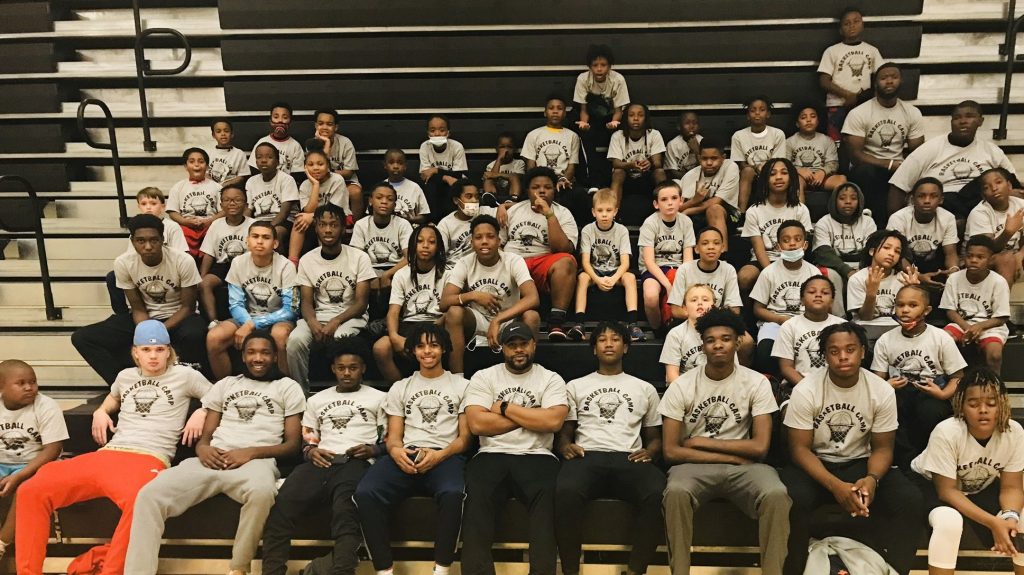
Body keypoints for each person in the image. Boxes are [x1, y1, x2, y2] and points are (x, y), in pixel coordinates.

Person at [17, 320, 210, 575]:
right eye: (146, 350)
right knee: (31, 490)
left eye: (160, 350)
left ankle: (111, 570)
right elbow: (113, 396)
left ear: (169, 352)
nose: (153, 356)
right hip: (108, 453)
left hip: (149, 457)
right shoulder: (125, 376)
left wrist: (202, 412)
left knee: (142, 503)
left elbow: (218, 396)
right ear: (136, 352)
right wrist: (101, 411)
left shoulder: (185, 376)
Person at [125, 331, 305, 575]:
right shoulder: (225, 384)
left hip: (256, 462)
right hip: (213, 458)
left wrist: (250, 453)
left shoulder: (287, 387)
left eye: (265, 353)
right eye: (251, 352)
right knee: (148, 495)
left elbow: (293, 445)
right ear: (243, 356)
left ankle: (239, 568)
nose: (258, 358)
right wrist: (203, 449)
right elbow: (206, 436)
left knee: (263, 492)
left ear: (274, 357)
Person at [781, 322, 924, 575]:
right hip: (816, 464)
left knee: (909, 500)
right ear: (825, 356)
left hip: (860, 462)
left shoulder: (881, 390)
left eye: (850, 349)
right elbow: (799, 450)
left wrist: (872, 479)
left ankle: (892, 570)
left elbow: (883, 448)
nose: (843, 357)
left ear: (863, 352)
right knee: (792, 499)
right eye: (834, 351)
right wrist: (835, 485)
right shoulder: (806, 389)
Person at [661, 307, 791, 575]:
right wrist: (730, 457)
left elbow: (760, 447)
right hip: (696, 467)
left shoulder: (756, 383)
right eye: (710, 340)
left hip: (745, 468)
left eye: (725, 339)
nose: (718, 345)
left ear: (738, 342)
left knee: (777, 494)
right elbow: (671, 451)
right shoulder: (682, 385)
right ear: (702, 345)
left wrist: (699, 441)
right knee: (675, 493)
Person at [261, 337, 387, 575]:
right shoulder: (317, 399)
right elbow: (308, 439)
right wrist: (311, 451)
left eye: (353, 368)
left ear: (363, 368)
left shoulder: (379, 398)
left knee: (346, 512)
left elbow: (388, 439)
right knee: (282, 506)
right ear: (333, 369)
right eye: (341, 368)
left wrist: (374, 450)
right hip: (322, 460)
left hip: (357, 462)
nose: (347, 373)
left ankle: (342, 571)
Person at [354, 324, 471, 575]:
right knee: (365, 492)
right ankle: (384, 570)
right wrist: (396, 452)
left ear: (444, 349)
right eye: (421, 346)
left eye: (434, 345)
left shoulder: (462, 385)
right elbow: (394, 437)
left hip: (445, 454)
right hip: (407, 453)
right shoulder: (401, 387)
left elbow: (464, 440)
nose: (427, 351)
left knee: (453, 493)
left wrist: (440, 455)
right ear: (413, 351)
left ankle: (442, 569)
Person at [555, 321, 664, 575]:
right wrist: (565, 446)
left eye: (615, 339)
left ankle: (636, 570)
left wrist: (651, 451)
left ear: (625, 347)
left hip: (629, 457)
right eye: (602, 340)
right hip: (587, 455)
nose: (608, 344)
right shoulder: (575, 386)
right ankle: (570, 571)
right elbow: (565, 432)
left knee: (658, 492)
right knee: (565, 490)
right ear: (594, 349)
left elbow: (654, 437)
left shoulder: (644, 388)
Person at [460, 321, 569, 575]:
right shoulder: (484, 377)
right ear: (503, 348)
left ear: (533, 345)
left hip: (538, 456)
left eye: (523, 344)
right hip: (491, 454)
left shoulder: (551, 379)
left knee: (546, 508)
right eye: (512, 345)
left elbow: (553, 422)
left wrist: (504, 408)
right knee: (476, 500)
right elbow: (477, 424)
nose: (518, 350)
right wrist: (533, 415)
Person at [910, 368, 1024, 575]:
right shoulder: (947, 431)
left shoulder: (1014, 432)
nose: (983, 410)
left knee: (1021, 519)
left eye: (991, 403)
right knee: (949, 522)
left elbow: (1011, 487)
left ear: (1003, 404)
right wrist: (993, 523)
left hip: (978, 486)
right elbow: (947, 491)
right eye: (973, 404)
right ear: (961, 406)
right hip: (929, 485)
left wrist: (1009, 518)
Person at [73, 214, 207, 385]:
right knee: (83, 337)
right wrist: (146, 330)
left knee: (194, 333)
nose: (148, 246)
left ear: (162, 239)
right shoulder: (123, 263)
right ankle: (124, 385)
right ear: (133, 241)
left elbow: (187, 307)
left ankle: (185, 383)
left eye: (154, 240)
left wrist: (157, 331)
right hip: (145, 317)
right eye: (141, 241)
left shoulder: (183, 260)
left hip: (179, 316)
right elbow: (137, 307)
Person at [872, 284, 967, 467]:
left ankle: (930, 458)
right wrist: (887, 386)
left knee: (929, 411)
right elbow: (877, 380)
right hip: (899, 390)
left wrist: (942, 394)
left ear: (927, 310)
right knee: (891, 408)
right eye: (900, 305)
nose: (905, 310)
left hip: (933, 392)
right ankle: (904, 462)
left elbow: (958, 377)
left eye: (913, 305)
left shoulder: (941, 338)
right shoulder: (886, 340)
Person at [288, 204, 376, 390]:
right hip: (319, 315)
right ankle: (301, 393)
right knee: (295, 340)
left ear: (343, 228)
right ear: (316, 228)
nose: (328, 230)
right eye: (323, 225)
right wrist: (312, 322)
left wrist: (335, 321)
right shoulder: (307, 259)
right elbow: (306, 302)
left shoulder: (359, 257)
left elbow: (361, 303)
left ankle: (346, 391)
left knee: (341, 337)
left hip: (351, 317)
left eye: (334, 225)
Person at [441, 214, 541, 374]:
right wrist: (473, 295)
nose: (484, 241)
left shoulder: (513, 260)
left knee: (532, 316)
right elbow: (445, 302)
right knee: (454, 312)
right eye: (478, 237)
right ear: (471, 242)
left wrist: (498, 320)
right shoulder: (464, 262)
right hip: (478, 320)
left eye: (490, 236)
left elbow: (533, 298)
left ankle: (528, 374)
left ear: (499, 240)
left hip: (508, 320)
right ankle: (457, 377)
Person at [890, 101, 1016, 220]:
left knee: (991, 180)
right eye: (956, 118)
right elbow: (898, 187)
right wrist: (897, 224)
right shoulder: (929, 149)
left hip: (982, 211)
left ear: (980, 121)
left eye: (969, 116)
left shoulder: (992, 151)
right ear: (951, 122)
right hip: (941, 209)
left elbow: (1013, 185)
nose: (963, 121)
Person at [207, 221, 298, 380]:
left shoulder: (286, 266)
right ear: (247, 241)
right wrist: (248, 322)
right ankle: (225, 387)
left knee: (280, 334)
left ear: (275, 243)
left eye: (266, 237)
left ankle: (284, 385)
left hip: (278, 318)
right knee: (214, 337)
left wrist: (252, 325)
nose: (260, 241)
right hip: (246, 316)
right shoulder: (238, 263)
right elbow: (235, 304)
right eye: (255, 236)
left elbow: (291, 310)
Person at [842, 62, 925, 228]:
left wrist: (903, 167)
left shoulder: (912, 112)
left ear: (901, 81)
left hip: (898, 168)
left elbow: (917, 150)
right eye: (884, 78)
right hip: (868, 167)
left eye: (894, 77)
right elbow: (856, 155)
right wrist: (889, 164)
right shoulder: (859, 113)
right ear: (875, 83)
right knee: (868, 173)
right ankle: (875, 226)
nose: (889, 81)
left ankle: (901, 228)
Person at [0, 360, 67, 558]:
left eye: (33, 382)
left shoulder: (46, 406)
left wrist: (20, 475)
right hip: (3, 463)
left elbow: (53, 449)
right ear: (2, 387)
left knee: (27, 489)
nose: (29, 387)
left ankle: (1, 544)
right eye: (21, 383)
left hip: (37, 464)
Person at [503, 166, 578, 340]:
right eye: (536, 187)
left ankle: (556, 321)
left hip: (544, 261)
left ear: (554, 190)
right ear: (527, 191)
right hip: (513, 260)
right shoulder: (513, 210)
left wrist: (549, 214)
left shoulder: (563, 213)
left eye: (547, 187)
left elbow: (563, 248)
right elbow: (498, 243)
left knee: (567, 261)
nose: (542, 191)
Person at [373, 224, 448, 383]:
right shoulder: (401, 274)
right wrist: (394, 336)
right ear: (413, 245)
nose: (425, 245)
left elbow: (451, 311)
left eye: (431, 242)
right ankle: (400, 389)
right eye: (420, 241)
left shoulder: (448, 273)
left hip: (437, 324)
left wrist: (432, 330)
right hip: (409, 324)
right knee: (381, 347)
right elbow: (393, 312)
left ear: (439, 247)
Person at [749, 220, 825, 373]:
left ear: (805, 245)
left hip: (806, 322)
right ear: (778, 246)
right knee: (764, 353)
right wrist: (780, 319)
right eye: (786, 240)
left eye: (797, 239)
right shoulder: (768, 272)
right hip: (775, 323)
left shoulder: (814, 273)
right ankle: (776, 381)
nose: (792, 244)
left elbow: (822, 306)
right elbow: (758, 309)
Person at [570, 188, 643, 341]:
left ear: (615, 211)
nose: (604, 214)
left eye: (608, 210)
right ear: (593, 212)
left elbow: (625, 263)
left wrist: (614, 278)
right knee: (582, 277)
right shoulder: (588, 230)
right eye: (600, 210)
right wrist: (597, 279)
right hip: (594, 271)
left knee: (630, 278)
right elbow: (585, 262)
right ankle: (579, 324)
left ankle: (633, 324)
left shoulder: (621, 230)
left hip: (616, 271)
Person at [106, 187, 188, 314]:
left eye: (153, 204)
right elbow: (131, 257)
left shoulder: (172, 227)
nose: (148, 207)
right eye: (144, 204)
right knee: (112, 276)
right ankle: (123, 314)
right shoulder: (137, 229)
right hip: (143, 270)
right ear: (139, 206)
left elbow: (182, 255)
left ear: (163, 206)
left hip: (167, 270)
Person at [737, 158, 813, 292]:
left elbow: (802, 245)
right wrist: (772, 273)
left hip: (794, 259)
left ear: (791, 178)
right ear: (765, 180)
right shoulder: (754, 211)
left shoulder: (801, 209)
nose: (778, 177)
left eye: (784, 173)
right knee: (744, 277)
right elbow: (759, 249)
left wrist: (790, 267)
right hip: (763, 260)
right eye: (772, 174)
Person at [942, 234, 1012, 373]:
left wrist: (979, 327)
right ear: (964, 257)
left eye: (980, 257)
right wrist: (968, 328)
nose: (973, 260)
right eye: (970, 256)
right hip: (962, 323)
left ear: (990, 260)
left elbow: (1002, 317)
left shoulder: (999, 282)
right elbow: (950, 310)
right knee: (944, 341)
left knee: (994, 354)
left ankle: (994, 383)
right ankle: (954, 380)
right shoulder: (954, 279)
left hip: (989, 326)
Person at [817, 7, 883, 140]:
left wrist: (861, 97)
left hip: (864, 105)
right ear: (840, 30)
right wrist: (847, 95)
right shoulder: (832, 51)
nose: (852, 26)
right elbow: (824, 81)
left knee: (863, 142)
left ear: (863, 25)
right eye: (846, 23)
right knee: (837, 142)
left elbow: (880, 77)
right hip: (837, 105)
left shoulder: (872, 50)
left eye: (856, 21)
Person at [638, 181, 696, 332]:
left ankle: (678, 327)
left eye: (674, 198)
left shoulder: (686, 222)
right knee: (651, 296)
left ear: (681, 201)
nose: (670, 203)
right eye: (664, 199)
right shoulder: (650, 223)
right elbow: (649, 261)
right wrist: (669, 286)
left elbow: (688, 259)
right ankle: (659, 330)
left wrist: (681, 281)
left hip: (679, 268)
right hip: (655, 268)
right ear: (656, 204)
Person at [573, 44, 629, 188]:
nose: (599, 69)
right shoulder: (583, 79)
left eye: (603, 65)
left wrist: (614, 122)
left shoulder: (618, 80)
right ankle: (590, 179)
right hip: (591, 116)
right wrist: (584, 124)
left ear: (609, 66)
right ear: (589, 66)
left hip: (612, 116)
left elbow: (618, 110)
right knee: (583, 133)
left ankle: (615, 177)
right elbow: (583, 109)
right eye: (595, 65)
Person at [772, 275, 844, 386]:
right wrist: (808, 389)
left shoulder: (842, 326)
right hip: (798, 385)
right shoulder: (789, 326)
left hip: (835, 385)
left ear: (832, 301)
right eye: (812, 292)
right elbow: (786, 368)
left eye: (825, 293)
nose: (818, 295)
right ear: (802, 300)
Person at [886, 177, 959, 285]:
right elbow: (896, 255)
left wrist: (953, 273)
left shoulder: (948, 218)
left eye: (933, 196)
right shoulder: (898, 218)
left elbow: (950, 253)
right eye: (921, 196)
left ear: (941, 200)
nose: (927, 201)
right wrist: (918, 277)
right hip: (904, 267)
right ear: (912, 199)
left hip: (933, 265)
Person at [198, 186, 253, 324]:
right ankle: (213, 321)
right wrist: (202, 277)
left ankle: (246, 321)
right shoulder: (216, 224)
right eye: (227, 200)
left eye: (237, 200)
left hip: (247, 265)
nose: (232, 203)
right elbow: (209, 253)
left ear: (246, 204)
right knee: (205, 284)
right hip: (223, 265)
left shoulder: (254, 225)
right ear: (221, 205)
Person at [289, 147, 353, 264]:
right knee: (299, 220)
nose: (315, 168)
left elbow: (335, 210)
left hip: (340, 217)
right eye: (311, 164)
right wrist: (315, 185)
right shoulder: (305, 185)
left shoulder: (337, 180)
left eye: (320, 164)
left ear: (328, 166)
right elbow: (307, 210)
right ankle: (292, 263)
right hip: (315, 218)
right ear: (305, 168)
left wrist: (311, 216)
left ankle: (325, 262)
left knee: (324, 222)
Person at [677, 138, 741, 251]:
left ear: (723, 157)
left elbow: (717, 201)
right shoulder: (690, 176)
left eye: (714, 158)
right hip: (698, 216)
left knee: (714, 209)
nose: (709, 163)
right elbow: (677, 208)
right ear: (699, 158)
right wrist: (694, 200)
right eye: (704, 158)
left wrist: (688, 211)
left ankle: (722, 256)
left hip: (729, 215)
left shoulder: (730, 167)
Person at [350, 182, 413, 293]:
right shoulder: (361, 225)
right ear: (370, 201)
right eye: (379, 197)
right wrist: (370, 275)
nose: (384, 202)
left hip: (397, 268)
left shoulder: (403, 224)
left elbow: (410, 257)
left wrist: (388, 274)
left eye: (390, 199)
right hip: (370, 269)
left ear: (394, 205)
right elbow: (356, 258)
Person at [966, 167, 1024, 286]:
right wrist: (1008, 232)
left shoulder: (1020, 204)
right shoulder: (980, 213)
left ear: (1009, 186)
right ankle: (1002, 298)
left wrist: (1021, 254)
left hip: (1014, 254)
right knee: (1006, 259)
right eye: (987, 187)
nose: (994, 188)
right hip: (981, 260)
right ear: (983, 195)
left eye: (998, 182)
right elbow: (985, 251)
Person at [847, 229, 913, 333]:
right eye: (886, 248)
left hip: (897, 331)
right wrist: (871, 294)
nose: (892, 254)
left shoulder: (904, 279)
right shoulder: (857, 279)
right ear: (872, 251)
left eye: (897, 251)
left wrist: (913, 291)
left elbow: (909, 317)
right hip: (866, 332)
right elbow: (865, 317)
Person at [732, 96, 787, 212]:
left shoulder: (778, 134)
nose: (757, 113)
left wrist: (765, 169)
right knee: (747, 171)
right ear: (748, 115)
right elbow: (741, 164)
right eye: (753, 110)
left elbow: (778, 163)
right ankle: (740, 213)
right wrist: (755, 168)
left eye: (762, 110)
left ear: (768, 114)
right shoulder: (738, 136)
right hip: (749, 175)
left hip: (771, 172)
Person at [812, 182, 877, 281]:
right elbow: (823, 253)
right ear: (834, 201)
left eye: (853, 198)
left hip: (862, 265)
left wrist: (858, 271)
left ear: (860, 201)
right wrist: (847, 271)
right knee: (828, 273)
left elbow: (871, 251)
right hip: (834, 266)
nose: (848, 202)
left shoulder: (868, 221)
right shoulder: (824, 222)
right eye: (842, 198)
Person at [166, 147, 224, 257]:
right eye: (192, 162)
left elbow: (223, 211)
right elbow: (172, 212)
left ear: (207, 166)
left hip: (210, 226)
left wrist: (209, 221)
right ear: (185, 166)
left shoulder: (216, 187)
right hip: (186, 227)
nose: (196, 165)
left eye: (201, 161)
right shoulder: (178, 187)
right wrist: (185, 222)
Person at [607, 103, 666, 204]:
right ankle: (613, 209)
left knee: (659, 172)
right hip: (626, 178)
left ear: (646, 118)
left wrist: (649, 163)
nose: (635, 118)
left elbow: (657, 163)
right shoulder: (617, 136)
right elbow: (616, 163)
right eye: (631, 115)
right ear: (626, 118)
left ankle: (665, 207)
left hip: (647, 177)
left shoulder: (654, 134)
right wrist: (631, 165)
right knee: (618, 173)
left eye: (640, 115)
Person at [311, 108, 364, 219]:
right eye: (321, 123)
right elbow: (314, 171)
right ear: (315, 126)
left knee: (356, 192)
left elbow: (348, 173)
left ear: (336, 127)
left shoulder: (345, 143)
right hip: (321, 182)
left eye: (329, 124)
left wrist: (329, 172)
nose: (324, 127)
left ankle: (355, 226)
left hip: (345, 182)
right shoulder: (311, 144)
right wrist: (325, 146)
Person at [661, 284, 720, 382]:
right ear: (685, 308)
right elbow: (672, 377)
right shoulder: (675, 334)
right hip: (685, 388)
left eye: (705, 300)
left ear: (714, 306)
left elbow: (731, 372)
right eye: (694, 300)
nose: (700, 303)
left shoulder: (722, 333)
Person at [522, 95, 580, 192]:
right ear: (545, 112)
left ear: (565, 113)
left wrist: (563, 180)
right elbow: (531, 166)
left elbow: (572, 166)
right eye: (551, 108)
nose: (555, 111)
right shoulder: (533, 135)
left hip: (563, 183)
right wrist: (540, 183)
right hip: (540, 182)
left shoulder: (573, 136)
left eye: (559, 108)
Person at [436, 179, 498, 271]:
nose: (474, 200)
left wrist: (503, 207)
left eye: (476, 197)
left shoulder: (485, 211)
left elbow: (517, 208)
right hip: (454, 268)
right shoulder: (445, 224)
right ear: (456, 200)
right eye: (469, 196)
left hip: (480, 268)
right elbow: (439, 253)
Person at [786, 104, 846, 197]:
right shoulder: (789, 141)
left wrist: (823, 172)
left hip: (821, 177)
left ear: (818, 121)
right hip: (800, 177)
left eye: (813, 116)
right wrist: (798, 170)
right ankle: (800, 207)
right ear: (797, 123)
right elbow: (784, 163)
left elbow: (833, 163)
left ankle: (834, 207)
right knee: (797, 182)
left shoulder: (827, 140)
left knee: (842, 180)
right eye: (803, 117)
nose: (808, 120)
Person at [244, 142, 298, 244]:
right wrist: (244, 225)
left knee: (276, 233)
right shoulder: (251, 181)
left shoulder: (287, 180)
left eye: (269, 157)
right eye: (259, 157)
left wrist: (266, 228)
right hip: (258, 221)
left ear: (277, 161)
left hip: (283, 222)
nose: (264, 160)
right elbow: (248, 209)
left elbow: (284, 213)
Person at [420, 115, 468, 222]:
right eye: (433, 130)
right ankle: (433, 222)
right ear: (428, 133)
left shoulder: (457, 147)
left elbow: (458, 175)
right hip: (435, 186)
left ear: (448, 133)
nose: (437, 134)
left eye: (442, 130)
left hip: (454, 184)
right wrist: (445, 177)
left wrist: (436, 170)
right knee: (431, 185)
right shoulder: (424, 147)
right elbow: (425, 176)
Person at [246, 101, 305, 175]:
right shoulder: (262, 142)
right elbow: (254, 169)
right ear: (270, 121)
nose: (280, 120)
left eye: (285, 117)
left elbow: (298, 173)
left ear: (290, 122)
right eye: (276, 117)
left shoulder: (295, 146)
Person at [385, 148, 431, 224]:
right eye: (391, 162)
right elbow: (371, 214)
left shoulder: (414, 187)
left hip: (410, 228)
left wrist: (411, 219)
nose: (395, 166)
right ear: (385, 165)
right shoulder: (380, 187)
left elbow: (424, 216)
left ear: (405, 166)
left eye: (400, 163)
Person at [482, 131, 525, 202]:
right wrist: (499, 159)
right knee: (488, 177)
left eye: (509, 147)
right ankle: (489, 197)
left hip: (511, 192)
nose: (506, 150)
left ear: (514, 149)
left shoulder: (519, 163)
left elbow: (520, 177)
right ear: (497, 149)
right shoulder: (491, 165)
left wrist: (498, 175)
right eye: (502, 147)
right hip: (496, 193)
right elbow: (492, 176)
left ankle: (513, 198)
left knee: (514, 176)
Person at [205, 119, 247, 188]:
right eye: (218, 131)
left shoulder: (239, 154)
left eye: (226, 131)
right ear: (213, 135)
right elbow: (205, 173)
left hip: (231, 189)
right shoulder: (207, 153)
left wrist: (223, 185)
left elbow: (241, 176)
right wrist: (215, 186)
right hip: (211, 188)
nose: (223, 134)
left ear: (232, 134)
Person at [664, 111, 703, 180]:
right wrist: (690, 179)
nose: (691, 126)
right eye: (687, 123)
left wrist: (697, 151)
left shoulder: (703, 141)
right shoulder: (672, 144)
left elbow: (706, 169)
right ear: (679, 126)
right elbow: (673, 171)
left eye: (695, 123)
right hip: (681, 180)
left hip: (700, 179)